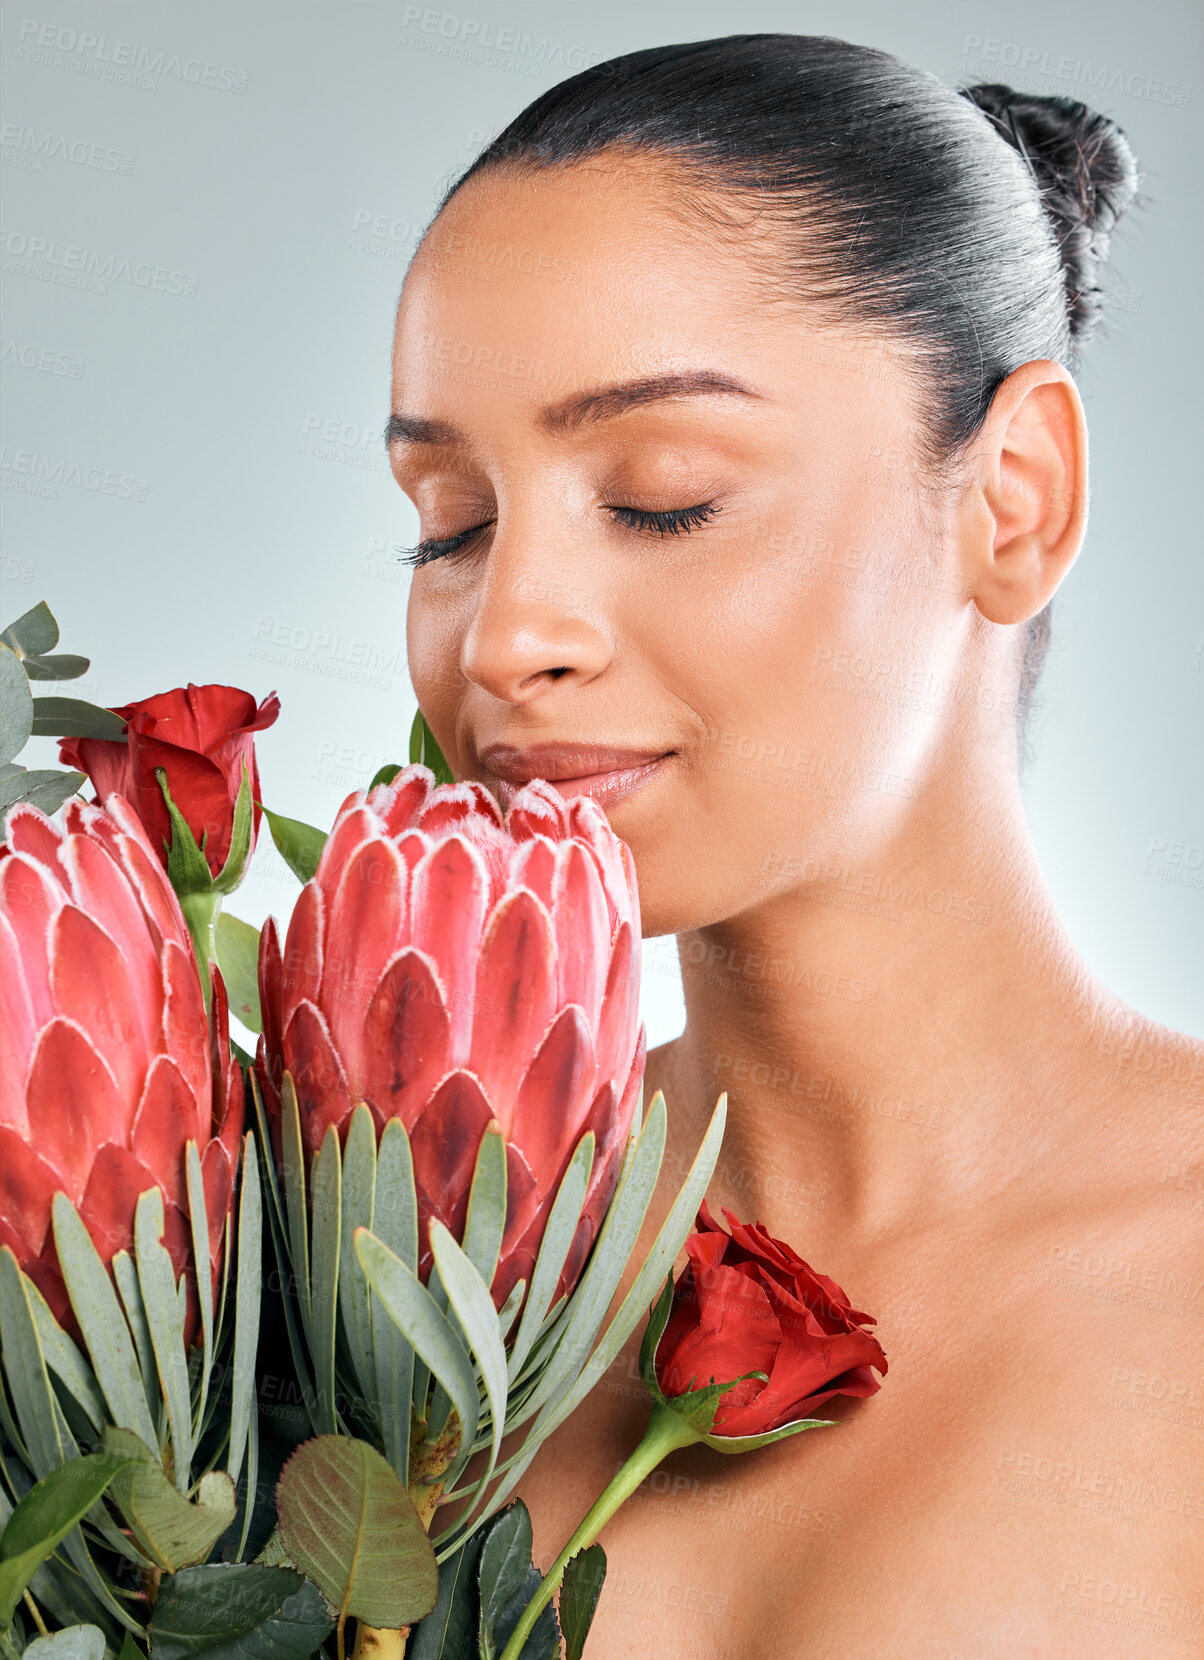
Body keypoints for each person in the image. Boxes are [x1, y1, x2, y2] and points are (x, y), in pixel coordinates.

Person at [386, 34, 1203, 1657]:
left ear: (1015, 501)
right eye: (451, 522)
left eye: (664, 495)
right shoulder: (375, 1275)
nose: (505, 633)